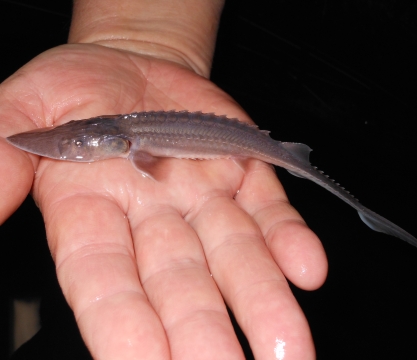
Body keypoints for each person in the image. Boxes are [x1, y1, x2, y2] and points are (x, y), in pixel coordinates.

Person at [0, 0, 327, 358]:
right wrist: (143, 38)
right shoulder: (125, 135)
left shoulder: (134, 145)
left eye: (77, 144)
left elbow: (148, 164)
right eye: (73, 141)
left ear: (121, 145)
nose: (70, 150)